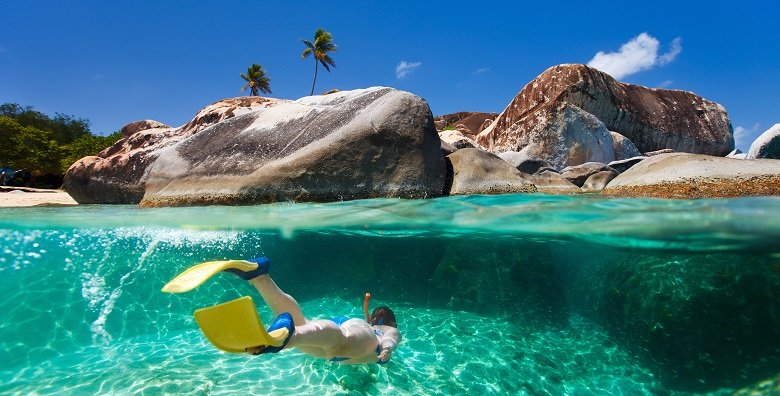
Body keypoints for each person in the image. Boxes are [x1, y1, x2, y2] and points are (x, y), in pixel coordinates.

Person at [227, 257, 402, 364]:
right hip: (366, 341)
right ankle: (287, 337)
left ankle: (259, 277)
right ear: (392, 322)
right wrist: (387, 348)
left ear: (372, 319)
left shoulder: (368, 324)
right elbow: (391, 338)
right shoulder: (385, 329)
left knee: (301, 326)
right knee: (340, 338)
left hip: (334, 350)